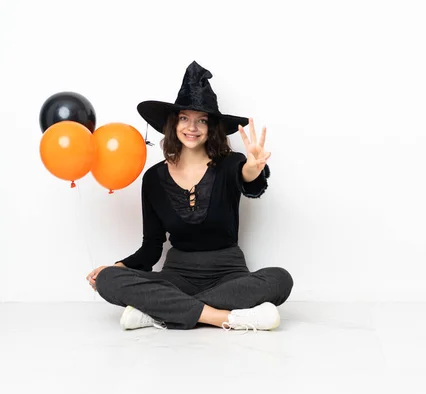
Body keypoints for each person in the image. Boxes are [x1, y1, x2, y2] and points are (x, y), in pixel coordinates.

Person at [85, 61, 293, 332]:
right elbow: (151, 248)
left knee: (280, 279)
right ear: (173, 123)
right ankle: (224, 318)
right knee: (109, 280)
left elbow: (249, 181)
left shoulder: (232, 164)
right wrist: (117, 267)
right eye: (184, 118)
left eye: (202, 120)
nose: (192, 127)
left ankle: (159, 312)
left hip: (228, 275)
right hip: (177, 276)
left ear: (212, 127)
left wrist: (253, 170)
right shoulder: (154, 179)